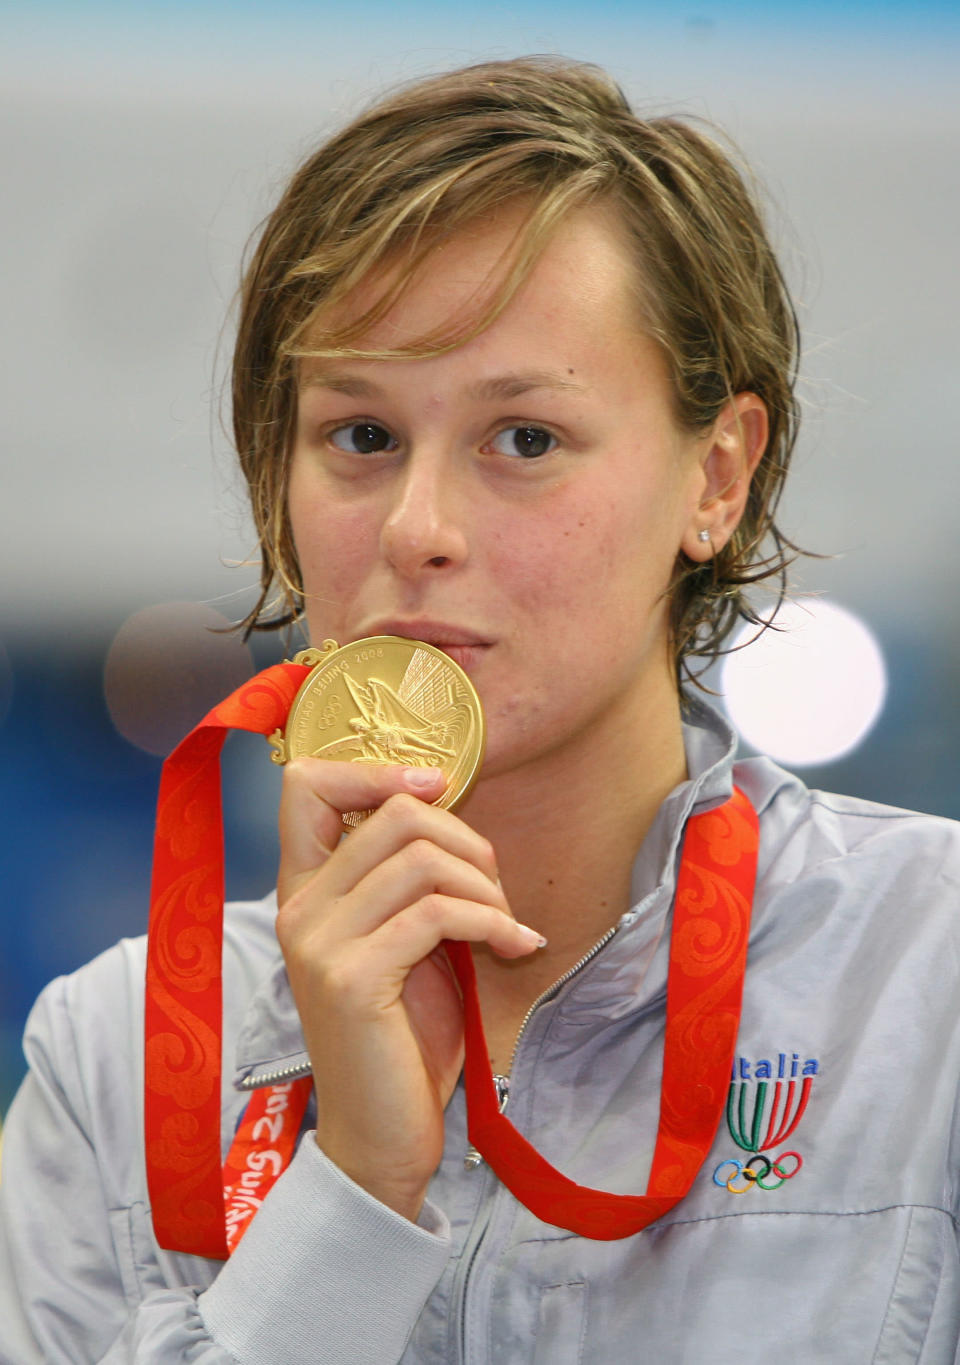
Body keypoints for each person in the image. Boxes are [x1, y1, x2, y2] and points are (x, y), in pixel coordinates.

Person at [2, 54, 960, 1364]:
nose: (419, 529)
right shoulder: (115, 1060)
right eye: (361, 435)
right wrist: (351, 1192)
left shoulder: (930, 984)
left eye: (524, 439)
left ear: (717, 478)